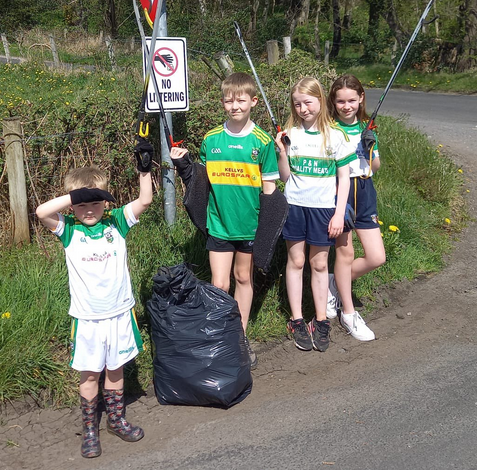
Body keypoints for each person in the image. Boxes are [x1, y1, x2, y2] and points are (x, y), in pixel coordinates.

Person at [35, 138, 155, 459]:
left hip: (119, 314)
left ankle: (116, 420)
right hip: (87, 318)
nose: (89, 210)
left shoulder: (116, 221)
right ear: (73, 205)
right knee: (89, 375)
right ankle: (90, 429)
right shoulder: (68, 228)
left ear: (106, 202)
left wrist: (144, 169)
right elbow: (41, 211)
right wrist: (76, 195)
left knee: (115, 371)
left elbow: (145, 200)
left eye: (96, 202)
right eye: (82, 204)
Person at [170, 72, 279, 370]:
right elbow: (200, 182)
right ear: (223, 103)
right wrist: (183, 164)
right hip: (218, 224)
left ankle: (239, 336)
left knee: (244, 278)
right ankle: (222, 336)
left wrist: (267, 231)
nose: (234, 106)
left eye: (241, 100)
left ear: (253, 102)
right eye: (229, 100)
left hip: (249, 226)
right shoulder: (211, 139)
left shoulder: (263, 141)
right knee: (219, 283)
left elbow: (269, 190)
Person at [275, 77, 356, 352]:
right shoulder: (289, 133)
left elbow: (344, 179)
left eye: (308, 102)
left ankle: (321, 320)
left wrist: (338, 214)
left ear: (320, 101)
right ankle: (297, 319)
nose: (303, 109)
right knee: (296, 261)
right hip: (295, 207)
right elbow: (285, 178)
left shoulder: (336, 136)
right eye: (297, 104)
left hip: (324, 209)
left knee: (319, 264)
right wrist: (282, 154)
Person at [326, 73, 386, 341]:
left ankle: (334, 283)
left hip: (365, 190)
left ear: (361, 98)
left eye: (352, 100)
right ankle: (348, 313)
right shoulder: (328, 128)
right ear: (334, 102)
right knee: (345, 253)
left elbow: (375, 168)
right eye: (341, 101)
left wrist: (369, 148)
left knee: (376, 257)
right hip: (341, 192)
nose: (347, 106)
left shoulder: (367, 127)